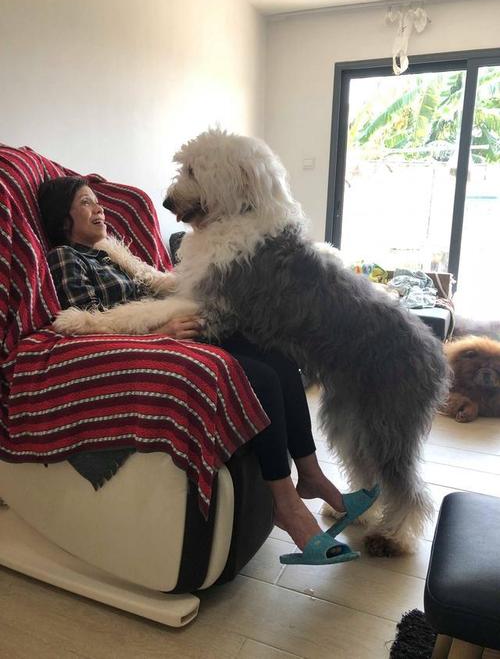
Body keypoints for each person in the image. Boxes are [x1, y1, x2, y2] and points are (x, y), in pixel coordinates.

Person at [38, 176, 377, 565]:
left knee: (280, 360)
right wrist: (159, 333)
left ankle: (312, 475)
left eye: (97, 201)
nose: (99, 208)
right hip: (159, 341)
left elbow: (161, 288)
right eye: (85, 202)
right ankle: (287, 508)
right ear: (63, 218)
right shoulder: (65, 257)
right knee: (262, 379)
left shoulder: (114, 254)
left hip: (184, 325)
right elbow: (87, 323)